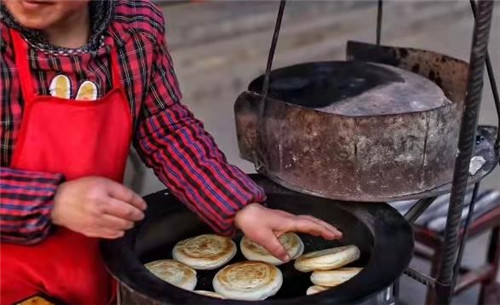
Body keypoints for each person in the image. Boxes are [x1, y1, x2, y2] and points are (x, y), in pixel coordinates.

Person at [0, 0, 342, 303]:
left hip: (95, 265)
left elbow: (166, 131)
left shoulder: (135, 28)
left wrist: (240, 206)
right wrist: (52, 201)